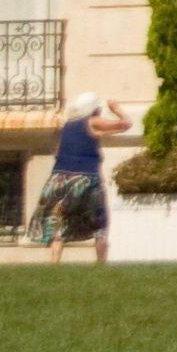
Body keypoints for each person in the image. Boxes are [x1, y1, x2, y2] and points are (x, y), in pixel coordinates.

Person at [34, 93, 129, 262]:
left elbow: (57, 152)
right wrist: (117, 110)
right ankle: (101, 264)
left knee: (60, 223)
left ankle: (54, 263)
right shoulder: (92, 121)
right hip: (86, 179)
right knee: (99, 223)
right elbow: (126, 124)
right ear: (93, 109)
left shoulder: (67, 126)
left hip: (59, 179)